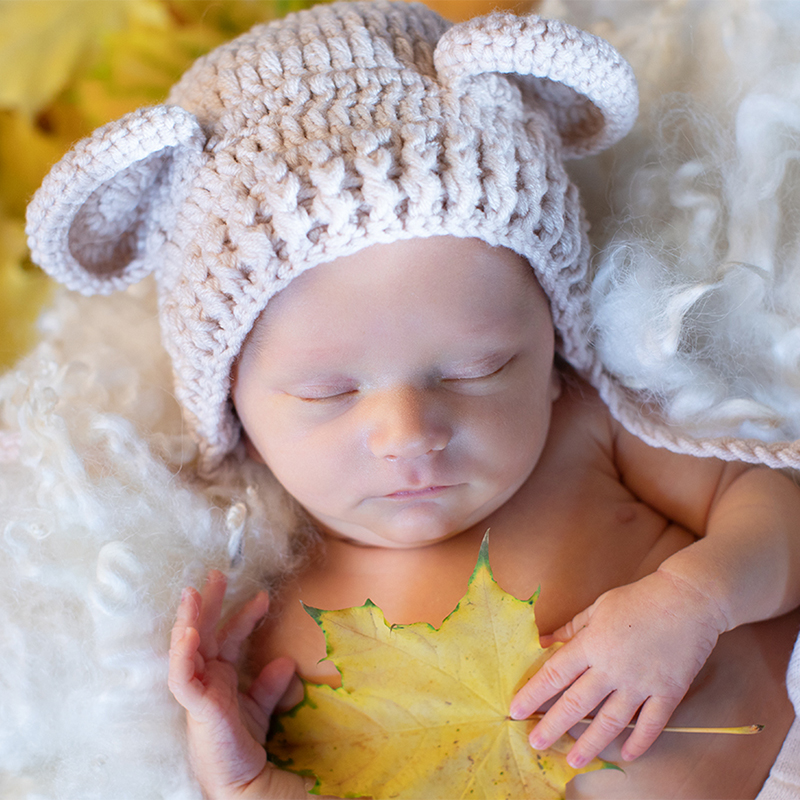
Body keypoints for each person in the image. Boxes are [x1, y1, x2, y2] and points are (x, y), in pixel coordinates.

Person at [23, 2, 800, 798]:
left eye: (478, 369)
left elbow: (772, 506)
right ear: (233, 408)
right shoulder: (276, 620)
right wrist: (246, 780)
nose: (409, 433)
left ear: (553, 343)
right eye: (327, 392)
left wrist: (694, 600)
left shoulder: (581, 431)